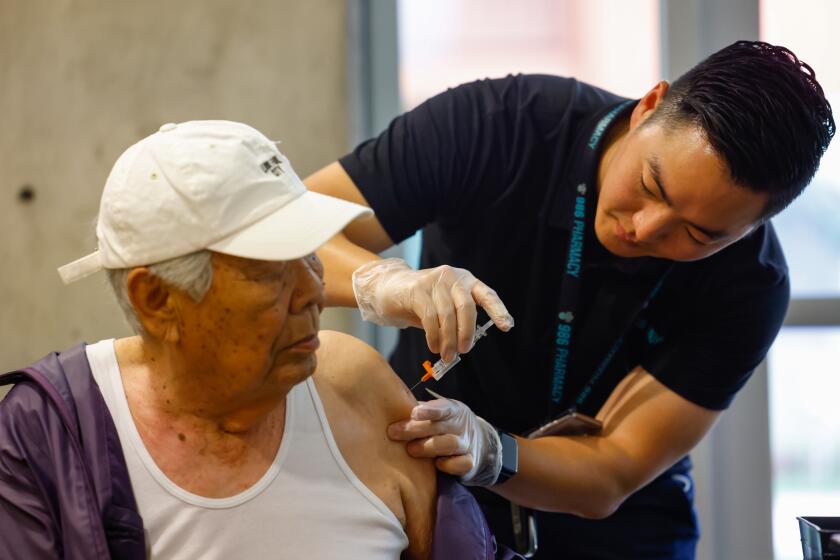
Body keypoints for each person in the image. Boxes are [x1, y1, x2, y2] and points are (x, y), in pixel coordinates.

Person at [304, 40, 836, 558]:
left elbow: (613, 469)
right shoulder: (499, 124)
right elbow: (287, 232)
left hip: (612, 523)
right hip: (428, 480)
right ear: (647, 108)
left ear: (747, 232)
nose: (646, 229)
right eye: (652, 185)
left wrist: (492, 451)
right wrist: (384, 282)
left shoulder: (750, 284)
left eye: (699, 235)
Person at [0, 120, 516, 560]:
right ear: (157, 300)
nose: (315, 292)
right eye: (270, 272)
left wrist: (495, 456)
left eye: (311, 254)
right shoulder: (50, 436)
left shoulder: (357, 390)